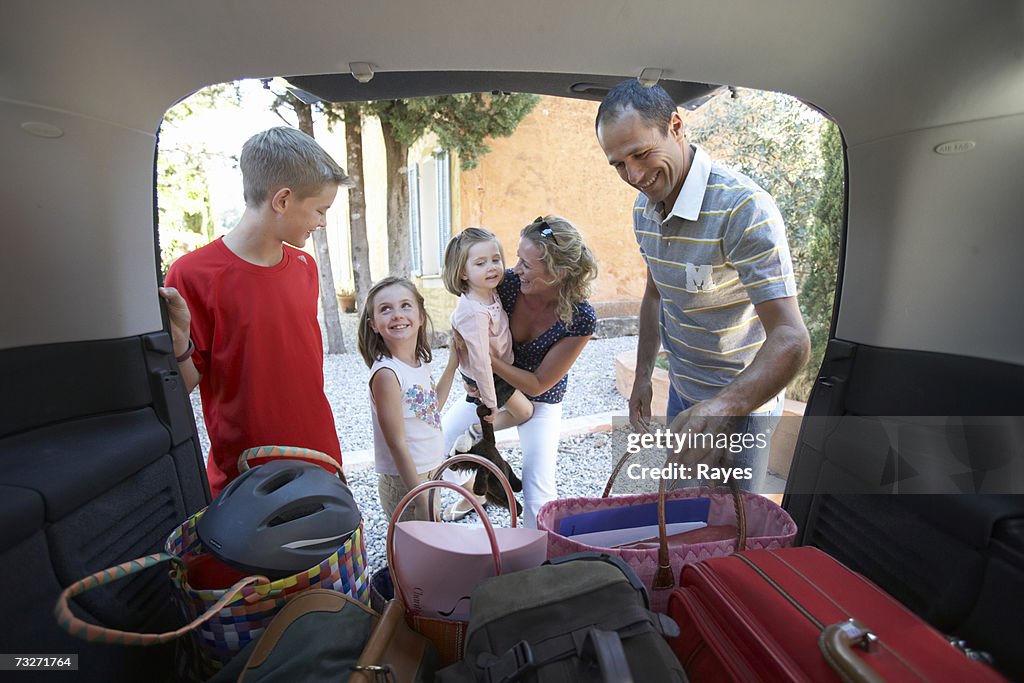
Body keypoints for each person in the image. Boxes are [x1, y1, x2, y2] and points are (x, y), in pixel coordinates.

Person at [595, 79, 810, 492]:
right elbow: (656, 293)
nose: (634, 175)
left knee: (732, 529)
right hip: (682, 391)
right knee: (678, 515)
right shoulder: (644, 210)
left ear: (675, 126)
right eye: (619, 164)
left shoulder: (744, 209)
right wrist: (643, 375)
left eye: (640, 153)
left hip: (744, 403)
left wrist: (725, 407)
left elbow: (792, 337)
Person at [160, 126, 352, 497]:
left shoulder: (304, 267)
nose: (322, 222)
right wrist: (179, 344)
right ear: (282, 200)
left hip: (319, 454)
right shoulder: (192, 274)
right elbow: (184, 384)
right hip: (247, 471)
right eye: (320, 210)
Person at [442, 216, 598, 528]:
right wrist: (466, 359)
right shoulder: (510, 285)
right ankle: (477, 489)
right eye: (516, 259)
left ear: (559, 272)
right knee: (438, 443)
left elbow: (539, 384)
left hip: (539, 402)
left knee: (539, 493)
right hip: (492, 388)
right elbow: (470, 306)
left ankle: (536, 560)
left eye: (526, 264)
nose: (514, 269)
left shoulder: (580, 317)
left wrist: (488, 359)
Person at [358, 276, 460, 522]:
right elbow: (397, 443)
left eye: (405, 305)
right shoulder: (387, 374)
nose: (397, 315)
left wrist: (452, 366)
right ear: (373, 325)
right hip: (407, 481)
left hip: (430, 471)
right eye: (385, 309)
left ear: (421, 316)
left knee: (430, 544)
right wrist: (419, 496)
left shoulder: (418, 362)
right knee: (412, 551)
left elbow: (430, 410)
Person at [441, 227, 534, 437]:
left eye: (495, 259)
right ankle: (478, 430)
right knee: (525, 411)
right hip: (487, 372)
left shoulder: (488, 291)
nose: (491, 268)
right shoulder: (474, 311)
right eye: (480, 263)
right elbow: (480, 360)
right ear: (463, 272)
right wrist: (491, 403)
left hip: (497, 366)